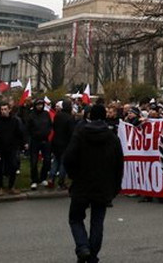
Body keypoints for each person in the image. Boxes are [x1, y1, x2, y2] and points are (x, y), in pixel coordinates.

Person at [63, 104, 123, 263]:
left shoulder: (80, 133)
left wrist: (73, 175)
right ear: (104, 117)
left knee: (75, 218)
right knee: (97, 222)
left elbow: (68, 158)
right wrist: (115, 187)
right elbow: (119, 164)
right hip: (103, 186)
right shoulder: (112, 138)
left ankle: (83, 247)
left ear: (89, 116)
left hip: (82, 183)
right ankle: (92, 255)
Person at [0, 102, 26, 194]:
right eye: (2, 110)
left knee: (13, 166)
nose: (3, 111)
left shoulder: (14, 121)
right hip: (0, 148)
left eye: (5, 109)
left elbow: (19, 133)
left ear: (9, 110)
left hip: (12, 148)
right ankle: (0, 187)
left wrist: (21, 143)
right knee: (0, 168)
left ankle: (11, 186)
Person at [25, 99, 53, 189]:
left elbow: (50, 124)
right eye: (38, 105)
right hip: (35, 141)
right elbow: (27, 129)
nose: (40, 106)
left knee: (47, 160)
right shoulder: (31, 115)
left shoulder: (46, 114)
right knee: (34, 161)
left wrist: (47, 132)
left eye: (41, 104)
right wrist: (28, 140)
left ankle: (43, 177)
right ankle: (34, 180)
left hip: (45, 140)